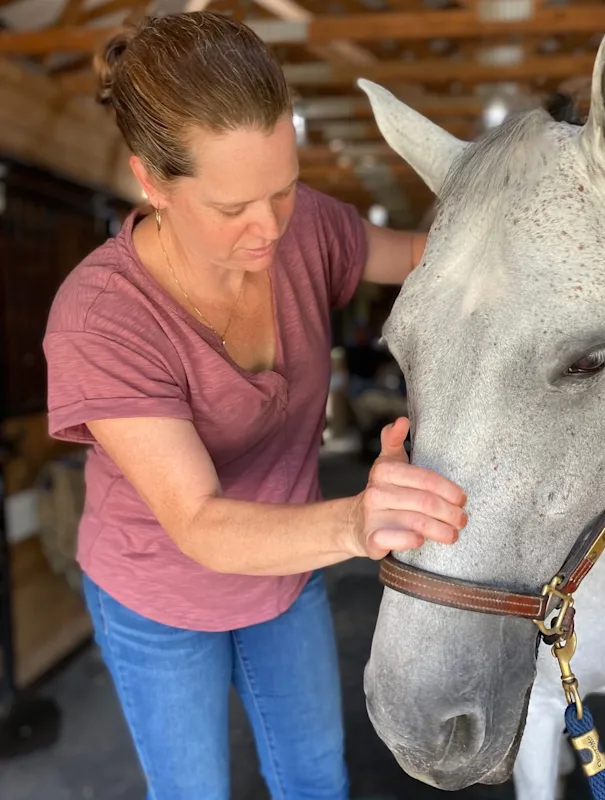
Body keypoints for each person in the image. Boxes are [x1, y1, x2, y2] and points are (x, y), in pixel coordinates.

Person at [43, 11, 467, 800]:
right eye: (232, 207)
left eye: (283, 187)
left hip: (286, 573)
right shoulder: (102, 318)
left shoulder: (303, 229)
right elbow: (199, 520)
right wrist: (354, 523)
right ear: (151, 182)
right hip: (157, 594)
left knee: (314, 780)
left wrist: (508, 199)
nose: (268, 228)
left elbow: (428, 254)